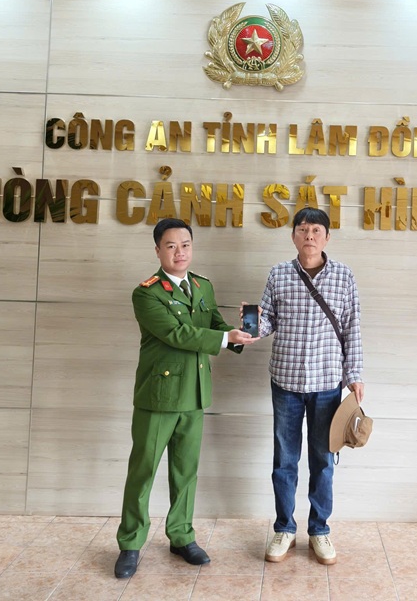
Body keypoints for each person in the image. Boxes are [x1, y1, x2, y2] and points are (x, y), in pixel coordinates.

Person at [114, 218, 256, 579]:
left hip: (194, 394)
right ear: (158, 250)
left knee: (185, 472)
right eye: (171, 246)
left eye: (186, 245)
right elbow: (177, 334)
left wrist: (239, 332)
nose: (180, 252)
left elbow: (213, 325)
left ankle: (181, 536)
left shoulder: (202, 286)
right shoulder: (146, 293)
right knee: (143, 471)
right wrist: (224, 339)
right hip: (158, 397)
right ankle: (130, 543)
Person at [256, 207, 364, 566]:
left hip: (327, 383)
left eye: (316, 230)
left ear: (327, 237)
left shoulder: (344, 276)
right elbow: (267, 322)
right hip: (285, 381)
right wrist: (253, 324)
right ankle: (284, 528)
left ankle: (319, 530)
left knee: (323, 461)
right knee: (284, 461)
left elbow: (352, 327)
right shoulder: (279, 274)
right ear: (293, 236)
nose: (309, 236)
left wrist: (355, 374)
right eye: (303, 229)